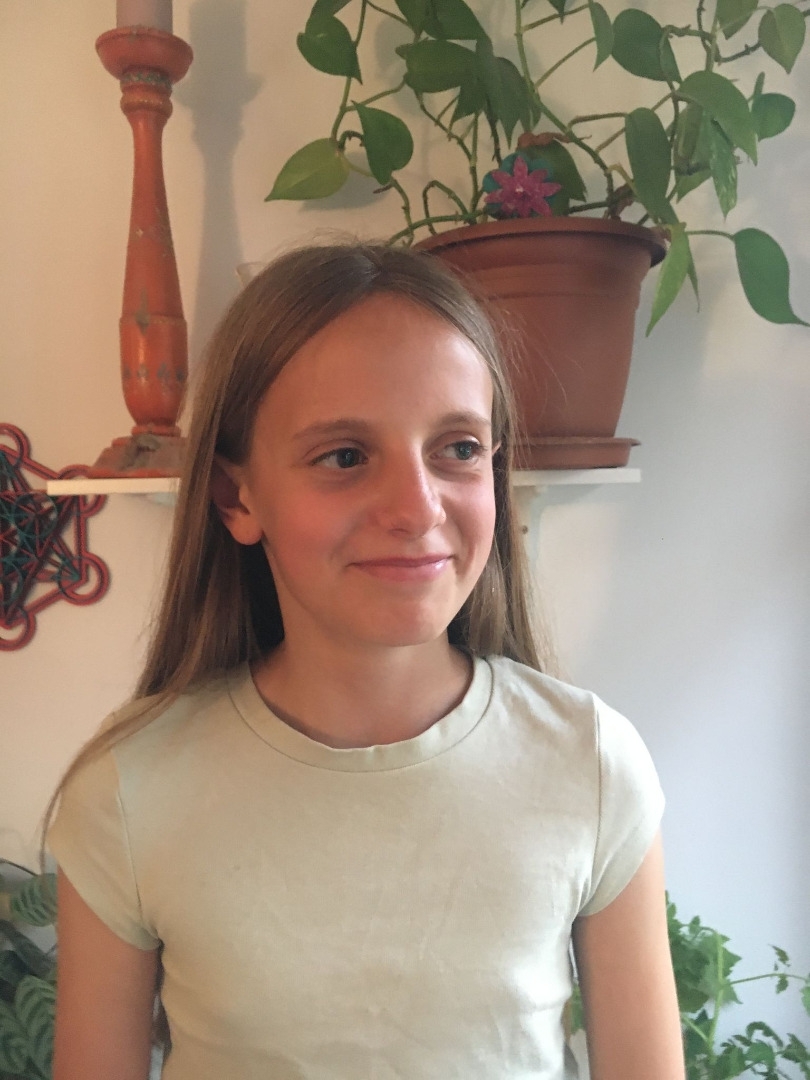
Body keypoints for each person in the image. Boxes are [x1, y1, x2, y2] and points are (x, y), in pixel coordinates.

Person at [42, 242, 685, 1080]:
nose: (416, 509)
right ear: (237, 496)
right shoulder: (129, 794)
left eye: (457, 448)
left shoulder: (591, 764)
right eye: (344, 457)